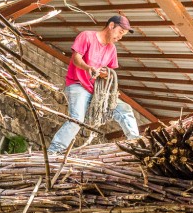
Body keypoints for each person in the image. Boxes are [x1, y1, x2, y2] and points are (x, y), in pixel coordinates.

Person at [47, 15, 140, 153]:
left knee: (124, 109)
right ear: (111, 26)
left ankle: (136, 144)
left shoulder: (112, 49)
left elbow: (110, 73)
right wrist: (88, 68)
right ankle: (53, 151)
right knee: (77, 120)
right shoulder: (87, 36)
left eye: (123, 35)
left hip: (98, 91)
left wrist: (105, 74)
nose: (120, 37)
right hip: (78, 85)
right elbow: (76, 58)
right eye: (120, 32)